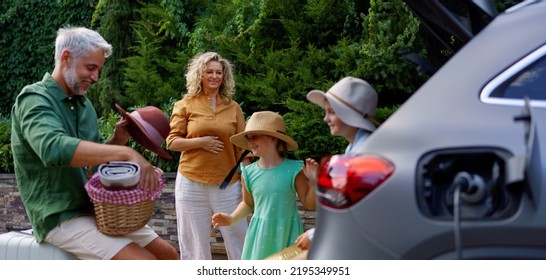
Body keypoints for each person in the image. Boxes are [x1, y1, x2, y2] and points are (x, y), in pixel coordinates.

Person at [10, 26, 179, 260]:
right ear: (66, 58)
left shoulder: (84, 105)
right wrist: (124, 153)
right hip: (60, 216)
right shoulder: (34, 99)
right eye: (91, 68)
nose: (96, 77)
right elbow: (52, 149)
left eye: (98, 69)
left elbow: (94, 168)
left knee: (169, 255)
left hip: (99, 209)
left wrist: (117, 141)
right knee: (145, 263)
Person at [167, 51, 248, 260]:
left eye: (218, 72)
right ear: (200, 74)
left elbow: (244, 148)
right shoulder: (185, 104)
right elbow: (172, 142)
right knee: (194, 243)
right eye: (209, 72)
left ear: (224, 76)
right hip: (191, 183)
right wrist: (200, 142)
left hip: (227, 183)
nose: (214, 76)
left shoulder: (233, 107)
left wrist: (248, 180)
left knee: (239, 236)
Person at [211, 111, 316, 260]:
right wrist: (231, 218)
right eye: (248, 138)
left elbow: (309, 203)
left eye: (255, 136)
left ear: (273, 138)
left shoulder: (294, 169)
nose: (250, 141)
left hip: (288, 232)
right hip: (259, 235)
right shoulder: (248, 172)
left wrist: (314, 182)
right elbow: (248, 204)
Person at [294, 76, 379, 259]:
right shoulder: (355, 147)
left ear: (350, 113)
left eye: (331, 112)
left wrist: (315, 235)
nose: (326, 119)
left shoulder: (365, 153)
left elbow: (359, 211)